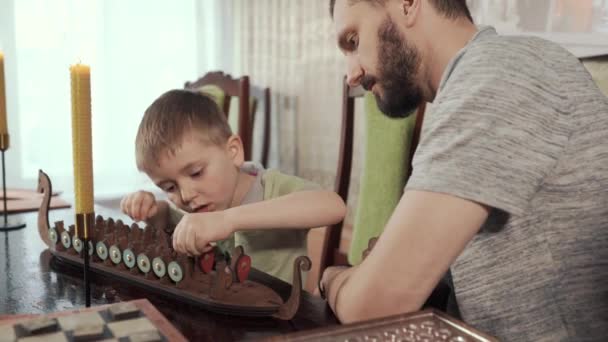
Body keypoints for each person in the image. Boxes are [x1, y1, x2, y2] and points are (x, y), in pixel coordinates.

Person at [322, 0, 608, 340]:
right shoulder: (478, 81)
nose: (351, 74)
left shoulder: (498, 73)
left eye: (353, 41)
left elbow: (371, 308)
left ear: (407, 4)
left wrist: (334, 279)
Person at [121, 89, 346, 283]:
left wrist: (229, 220)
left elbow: (333, 205)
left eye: (196, 173)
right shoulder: (199, 205)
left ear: (233, 152)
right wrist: (150, 211)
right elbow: (170, 218)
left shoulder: (270, 187)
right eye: (169, 187)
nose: (186, 195)